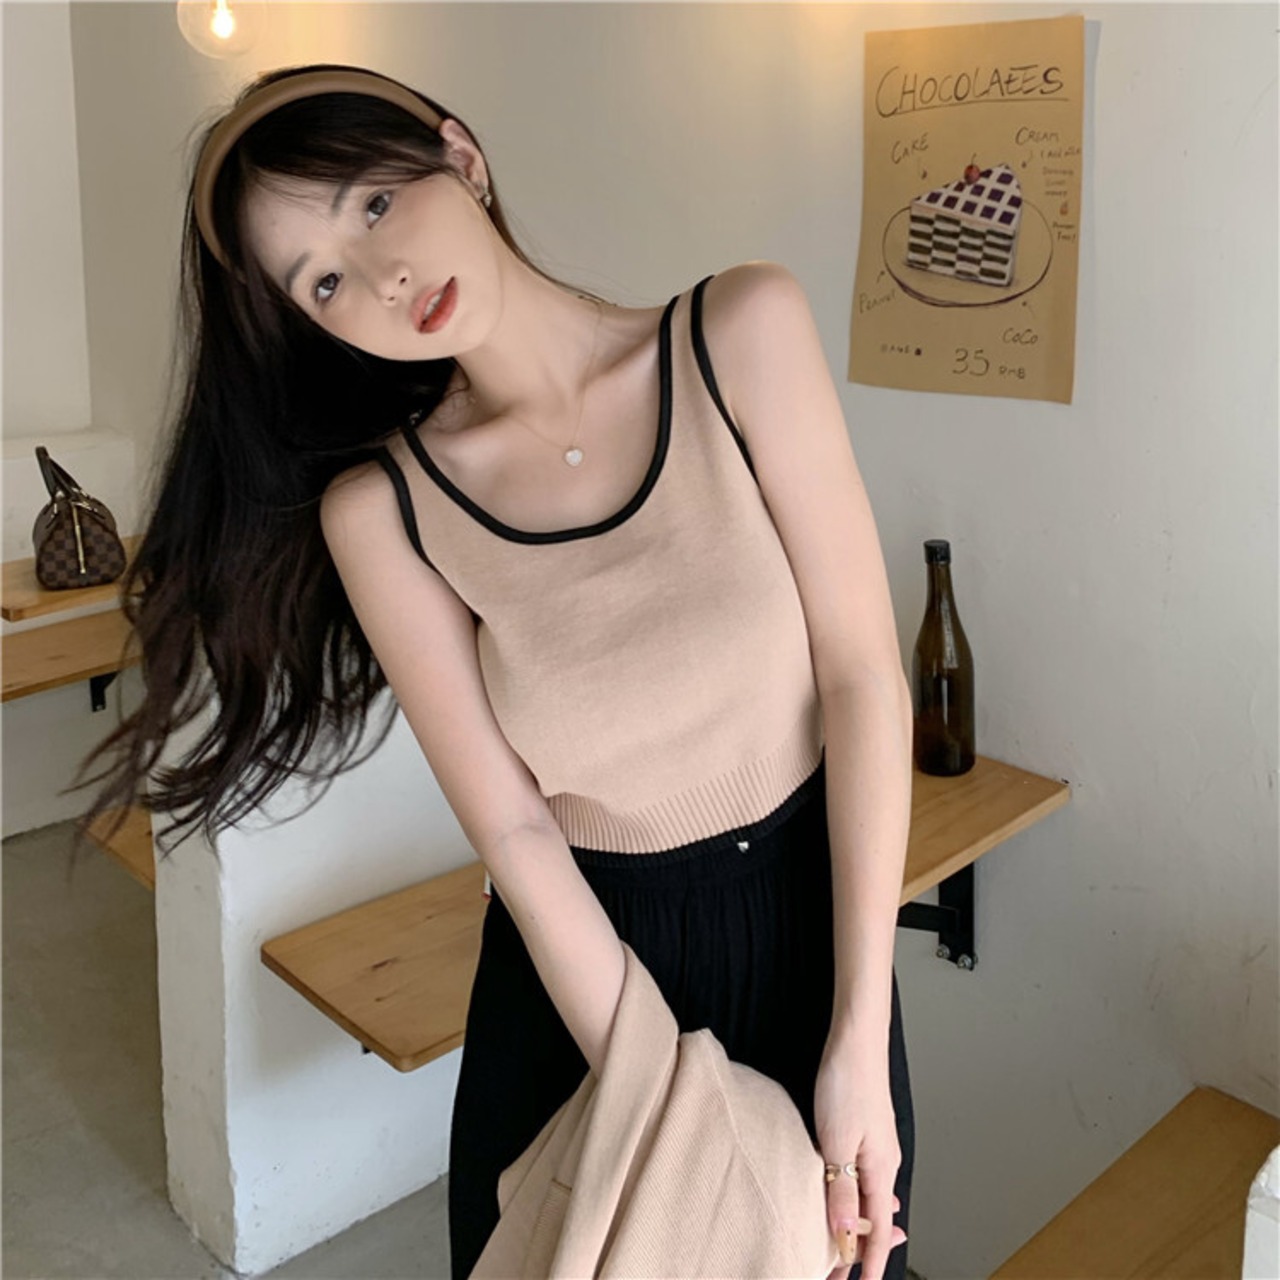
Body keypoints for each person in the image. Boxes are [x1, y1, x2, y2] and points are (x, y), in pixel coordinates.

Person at [82, 64, 916, 1280]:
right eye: (322, 280)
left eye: (374, 203)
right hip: (585, 991)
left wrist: (857, 1031)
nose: (380, 278)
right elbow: (517, 832)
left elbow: (860, 676)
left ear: (461, 157)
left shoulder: (741, 331)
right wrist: (668, 1100)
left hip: (813, 949)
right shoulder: (384, 511)